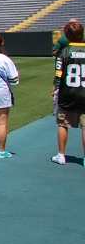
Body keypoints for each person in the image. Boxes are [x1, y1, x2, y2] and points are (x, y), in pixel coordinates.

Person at [52, 20, 85, 165]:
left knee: (63, 124)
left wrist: (56, 88)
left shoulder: (64, 52)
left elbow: (59, 74)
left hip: (68, 94)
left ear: (66, 35)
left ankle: (61, 155)